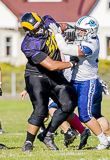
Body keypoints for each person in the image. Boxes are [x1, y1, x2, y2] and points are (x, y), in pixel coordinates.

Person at [49, 15, 110, 150]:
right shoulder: (86, 37)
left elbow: (65, 49)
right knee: (62, 107)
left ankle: (104, 141)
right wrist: (64, 27)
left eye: (82, 30)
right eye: (79, 29)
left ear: (90, 32)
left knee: (86, 115)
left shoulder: (90, 45)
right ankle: (72, 131)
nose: (79, 32)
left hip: (87, 82)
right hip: (75, 81)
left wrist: (58, 35)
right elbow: (71, 32)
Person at [20, 12, 80, 152]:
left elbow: (61, 27)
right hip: (37, 75)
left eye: (39, 26)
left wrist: (70, 29)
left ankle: (48, 134)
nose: (39, 30)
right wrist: (71, 63)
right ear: (29, 31)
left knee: (68, 104)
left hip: (55, 74)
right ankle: (28, 142)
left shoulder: (47, 22)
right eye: (35, 29)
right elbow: (51, 65)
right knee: (40, 110)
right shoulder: (29, 44)